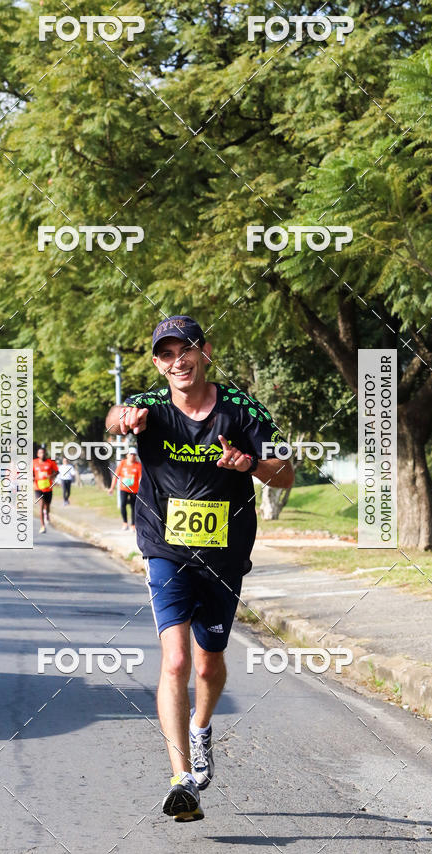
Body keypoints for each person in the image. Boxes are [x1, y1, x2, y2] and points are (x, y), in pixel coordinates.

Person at [106, 315, 292, 822]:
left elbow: (286, 472)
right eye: (165, 354)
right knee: (174, 661)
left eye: (185, 349)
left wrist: (249, 465)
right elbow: (116, 415)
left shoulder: (242, 410)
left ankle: (202, 727)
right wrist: (121, 418)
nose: (177, 360)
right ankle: (181, 777)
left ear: (205, 351)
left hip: (225, 552)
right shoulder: (151, 406)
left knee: (208, 662)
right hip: (165, 548)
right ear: (157, 364)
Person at [107, 447, 141, 530]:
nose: (132, 456)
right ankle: (125, 523)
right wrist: (111, 488)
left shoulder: (138, 465)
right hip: (123, 489)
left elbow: (141, 479)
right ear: (127, 455)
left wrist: (141, 490)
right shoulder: (122, 463)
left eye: (134, 454)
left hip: (134, 490)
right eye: (131, 454)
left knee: (133, 507)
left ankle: (133, 524)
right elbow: (115, 476)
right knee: (123, 505)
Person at [32, 446, 58, 533]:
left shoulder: (50, 462)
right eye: (40, 453)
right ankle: (42, 526)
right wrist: (32, 478)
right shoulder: (34, 463)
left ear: (45, 454)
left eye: (43, 453)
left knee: (47, 506)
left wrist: (51, 476)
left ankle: (47, 514)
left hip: (48, 488)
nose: (42, 454)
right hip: (38, 488)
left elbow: (57, 471)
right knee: (41, 505)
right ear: (38, 454)